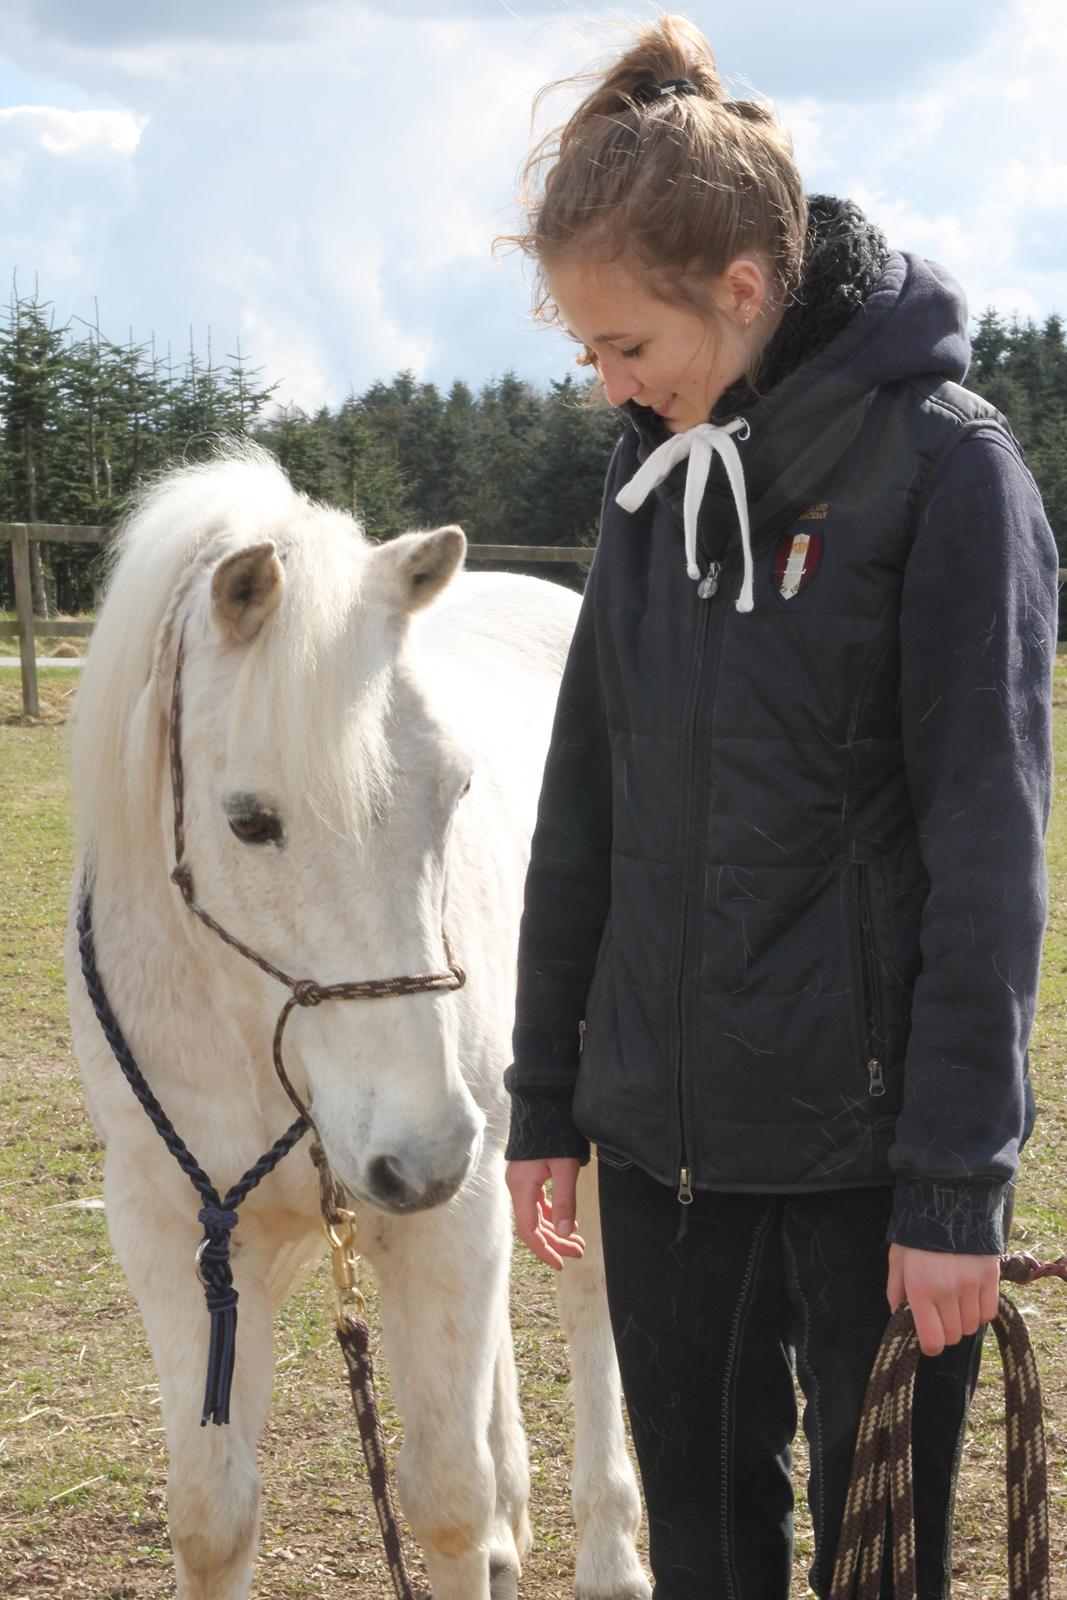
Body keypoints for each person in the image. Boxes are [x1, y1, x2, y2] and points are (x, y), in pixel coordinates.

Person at [501, 14, 1058, 1600]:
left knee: (880, 1567)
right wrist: (551, 1095)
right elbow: (583, 808)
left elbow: (986, 862)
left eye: (627, 346)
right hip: (663, 1150)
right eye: (587, 353)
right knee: (704, 1559)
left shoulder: (951, 479)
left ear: (741, 289)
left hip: (868, 1172)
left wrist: (956, 1190)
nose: (609, 384)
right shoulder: (643, 473)